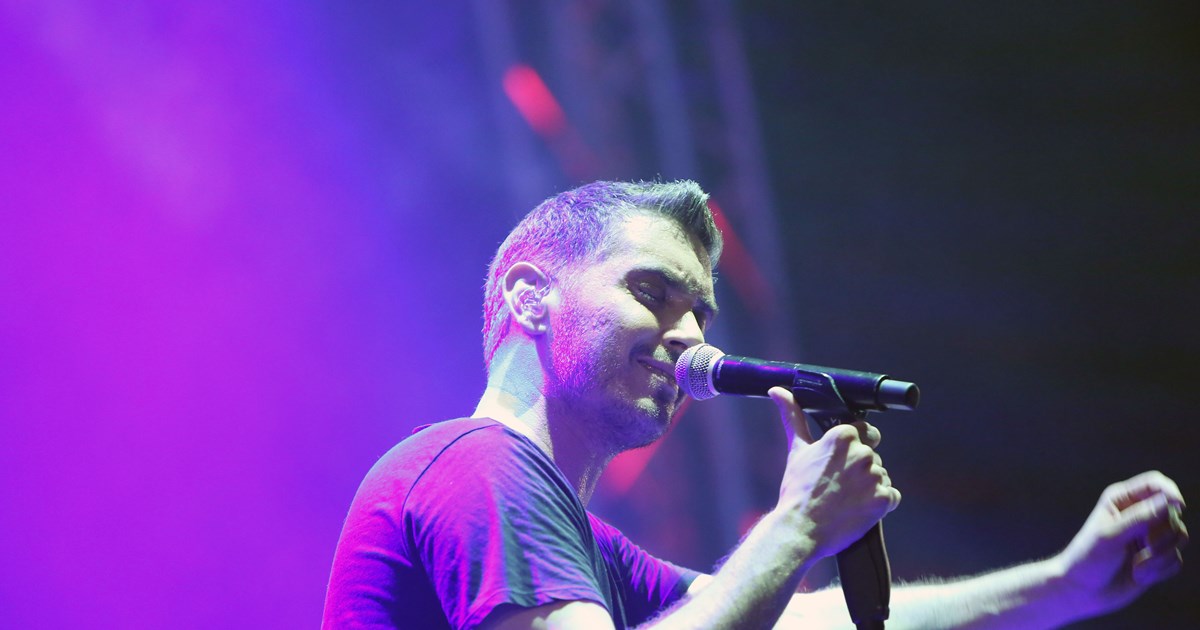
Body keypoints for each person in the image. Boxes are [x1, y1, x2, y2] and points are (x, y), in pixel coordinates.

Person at [322, 180, 1187, 629]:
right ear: (530, 298)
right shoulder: (478, 466)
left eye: (702, 312)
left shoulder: (583, 546)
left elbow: (797, 620)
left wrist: (1060, 585)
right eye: (652, 292)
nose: (690, 335)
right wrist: (797, 526)